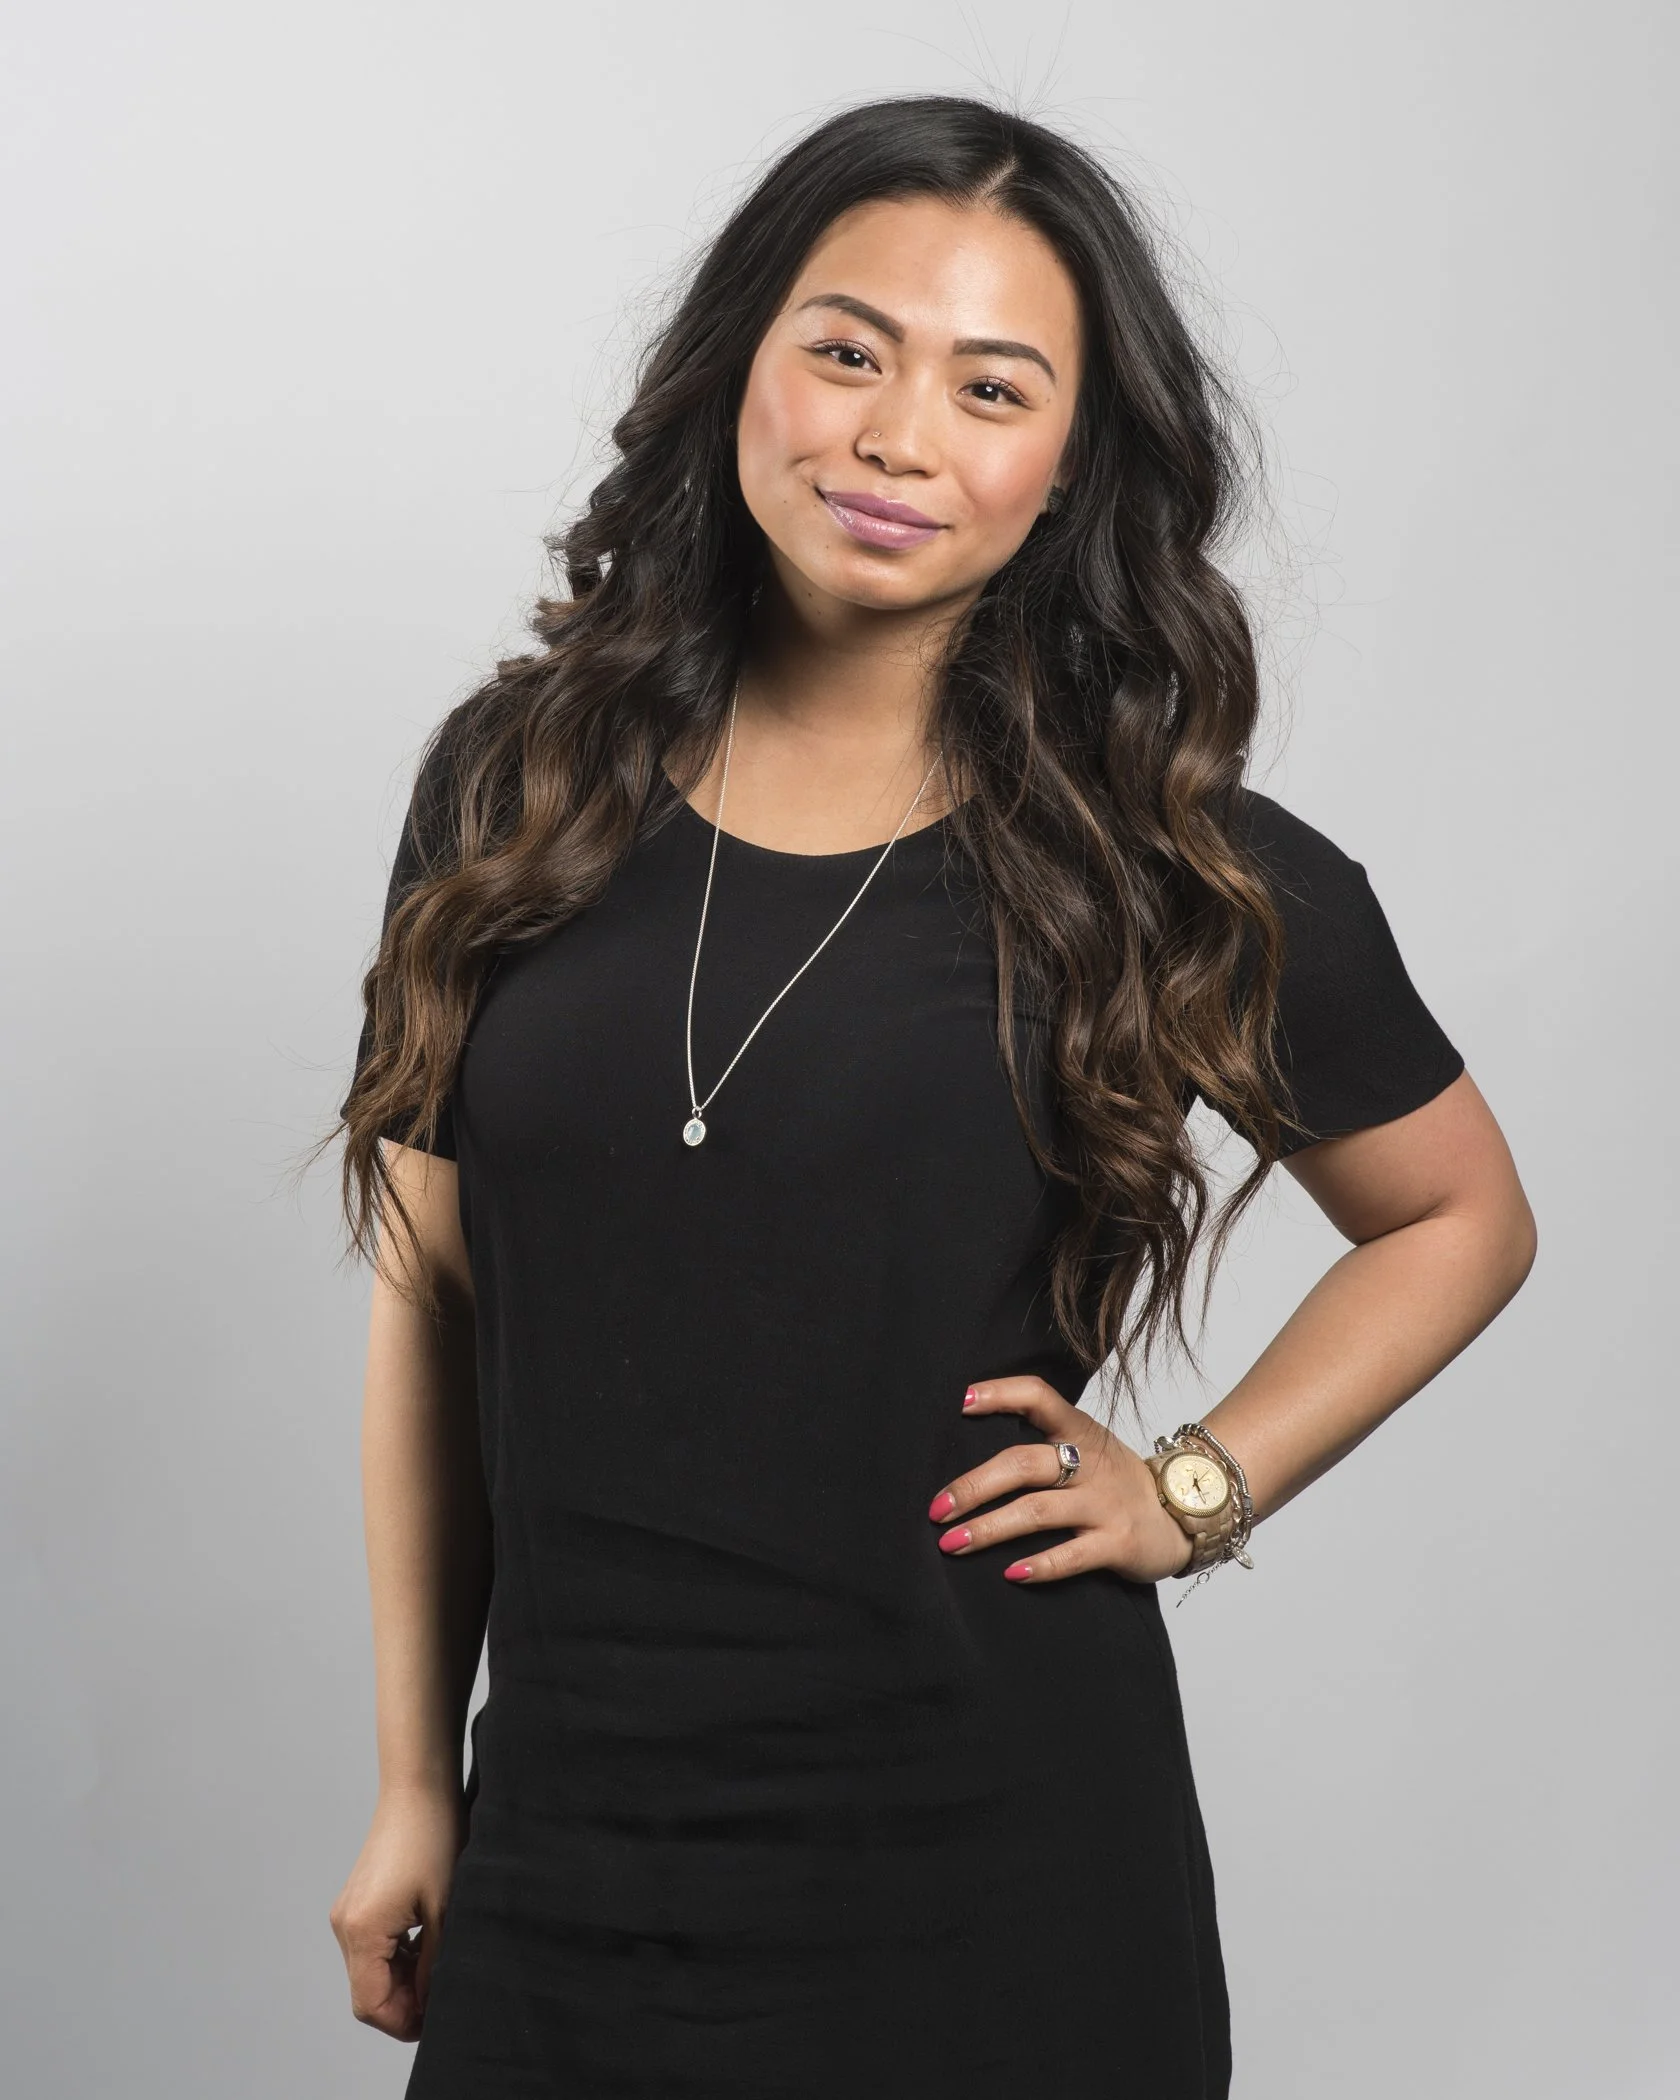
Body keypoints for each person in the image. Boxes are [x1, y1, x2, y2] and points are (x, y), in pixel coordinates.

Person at [326, 94, 1535, 2099]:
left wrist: (1195, 1491)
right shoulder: (512, 793)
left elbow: (1460, 1212)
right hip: (570, 1861)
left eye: (991, 387)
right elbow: (428, 1303)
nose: (898, 437)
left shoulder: (1168, 867)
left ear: (1068, 468)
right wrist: (411, 1784)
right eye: (849, 349)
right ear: (739, 363)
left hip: (999, 1881)